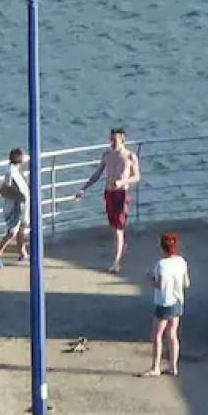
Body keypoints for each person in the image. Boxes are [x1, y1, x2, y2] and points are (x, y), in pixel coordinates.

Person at [74, 128, 140, 273]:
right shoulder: (107, 154)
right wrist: (83, 189)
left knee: (118, 227)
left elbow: (136, 176)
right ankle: (120, 247)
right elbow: (97, 174)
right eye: (111, 139)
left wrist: (122, 182)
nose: (112, 142)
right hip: (109, 193)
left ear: (122, 139)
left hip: (122, 193)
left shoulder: (130, 156)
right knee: (114, 226)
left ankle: (116, 262)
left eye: (115, 140)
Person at [143, 232, 189, 377]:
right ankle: (173, 367)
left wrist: (150, 279)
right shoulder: (181, 261)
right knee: (173, 334)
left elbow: (160, 286)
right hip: (178, 302)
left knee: (157, 334)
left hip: (164, 303)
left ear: (162, 247)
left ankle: (155, 367)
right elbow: (186, 283)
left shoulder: (161, 264)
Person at [0, 148, 30, 269]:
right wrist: (18, 196)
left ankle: (23, 253)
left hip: (22, 206)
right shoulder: (10, 172)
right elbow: (3, 190)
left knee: (21, 230)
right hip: (14, 208)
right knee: (12, 232)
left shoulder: (16, 170)